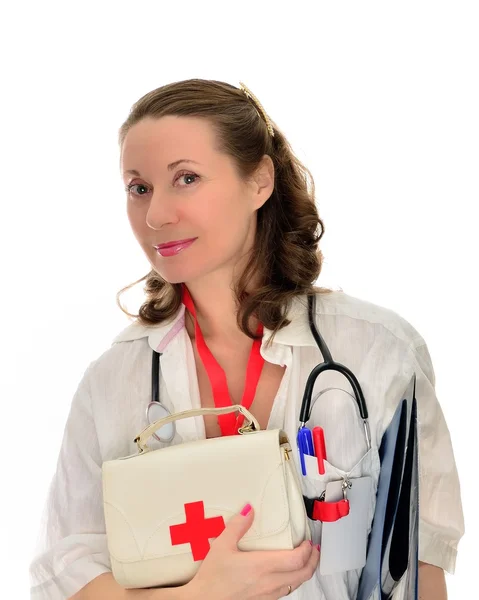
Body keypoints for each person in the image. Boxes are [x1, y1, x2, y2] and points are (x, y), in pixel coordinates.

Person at [29, 79, 464, 600]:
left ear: (259, 181)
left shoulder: (376, 350)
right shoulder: (114, 380)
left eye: (185, 178)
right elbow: (68, 575)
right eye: (138, 187)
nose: (155, 215)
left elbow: (418, 567)